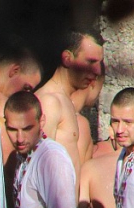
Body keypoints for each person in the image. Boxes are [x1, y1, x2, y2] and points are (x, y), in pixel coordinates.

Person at [35, 32, 104, 170]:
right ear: (67, 58)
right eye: (90, 61)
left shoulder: (64, 101)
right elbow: (40, 167)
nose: (97, 70)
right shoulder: (50, 102)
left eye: (99, 63)